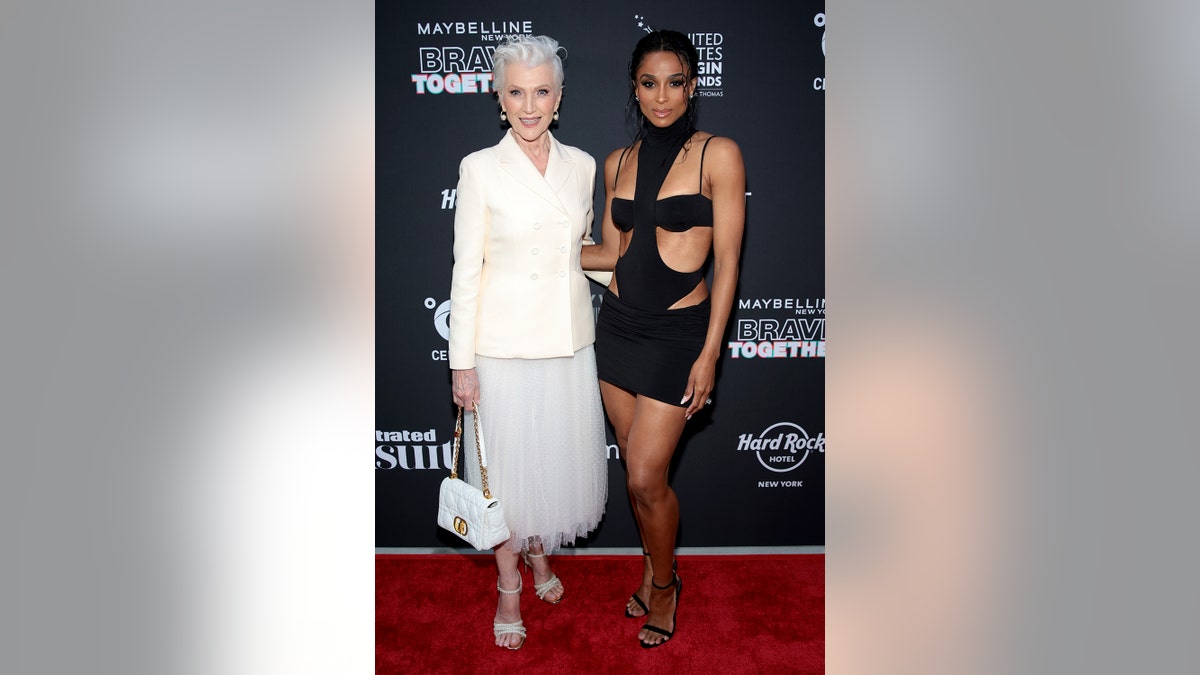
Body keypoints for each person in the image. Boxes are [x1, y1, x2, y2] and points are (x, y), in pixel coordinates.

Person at [581, 29, 746, 648]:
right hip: (618, 329)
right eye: (649, 83)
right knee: (634, 472)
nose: (661, 96)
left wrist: (710, 353)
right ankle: (653, 571)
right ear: (635, 87)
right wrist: (536, 246)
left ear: (693, 85)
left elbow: (727, 261)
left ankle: (667, 583)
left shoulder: (718, 155)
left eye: (675, 82)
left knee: (647, 476)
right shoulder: (615, 163)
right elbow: (609, 253)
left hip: (680, 333)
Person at [448, 35, 608, 651]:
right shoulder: (479, 168)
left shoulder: (583, 165)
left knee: (552, 466)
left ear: (560, 97)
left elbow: (584, 255)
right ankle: (510, 585)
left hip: (567, 344)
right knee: (509, 477)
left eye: (541, 91)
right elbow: (467, 270)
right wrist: (462, 363)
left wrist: (646, 276)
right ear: (499, 97)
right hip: (502, 348)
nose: (529, 104)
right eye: (516, 91)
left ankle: (542, 557)